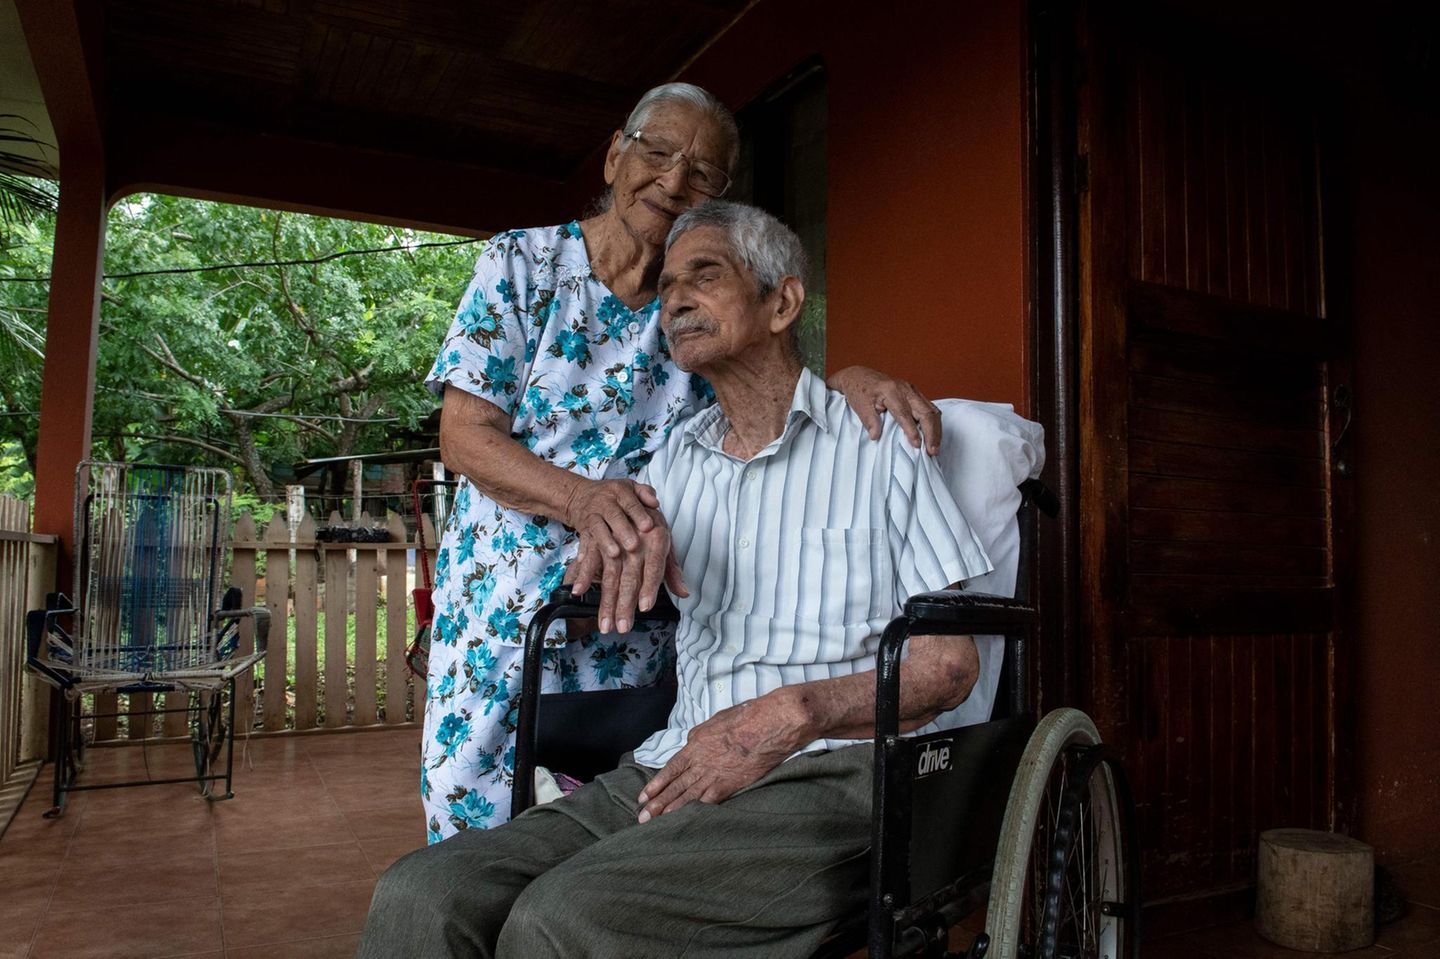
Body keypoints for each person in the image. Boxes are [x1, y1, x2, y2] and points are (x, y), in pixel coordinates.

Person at [360, 201, 993, 957]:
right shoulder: (675, 463)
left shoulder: (876, 442)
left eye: (705, 274)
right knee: (422, 893)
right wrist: (609, 551)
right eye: (666, 286)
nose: (676, 297)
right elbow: (604, 566)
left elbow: (949, 666)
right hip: (673, 764)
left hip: (831, 776)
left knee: (562, 919)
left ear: (782, 301)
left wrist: (792, 711)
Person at [421, 82, 945, 839]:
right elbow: (464, 435)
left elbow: (762, 381)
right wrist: (582, 499)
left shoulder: (691, 310)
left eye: (702, 174)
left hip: (635, 618)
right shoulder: (522, 264)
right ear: (613, 155)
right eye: (657, 153)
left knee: (603, 835)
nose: (673, 183)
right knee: (471, 832)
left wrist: (843, 383)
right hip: (506, 611)